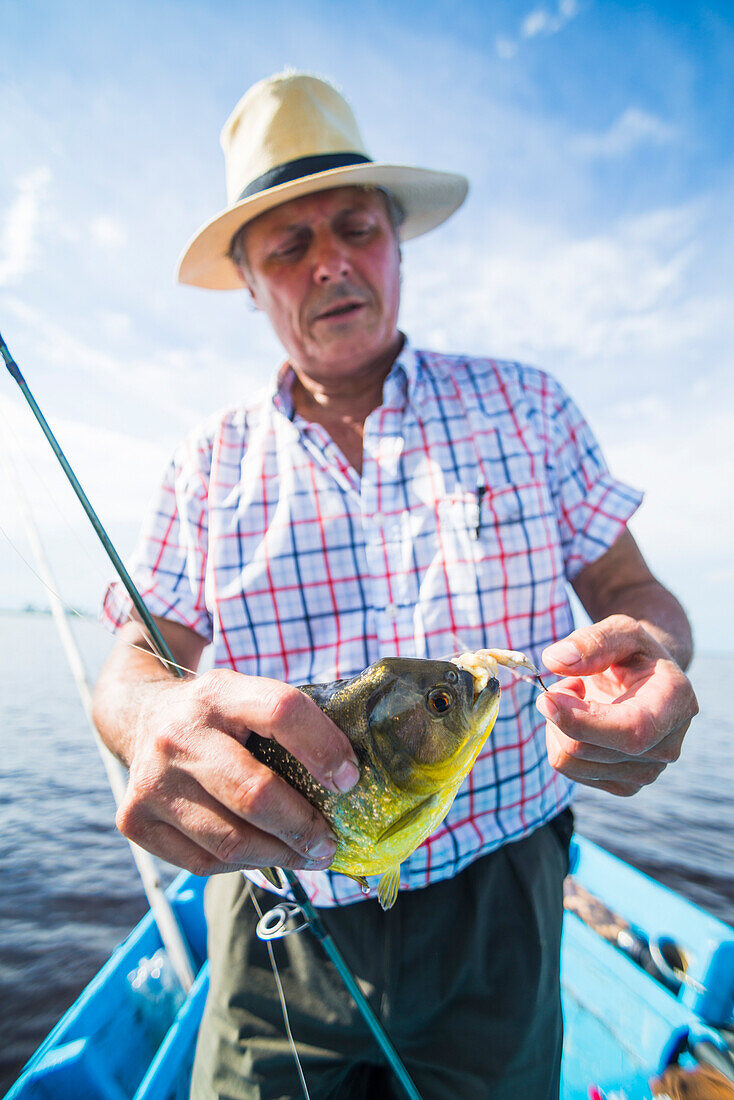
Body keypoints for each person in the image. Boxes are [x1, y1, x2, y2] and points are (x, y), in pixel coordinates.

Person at [92, 71, 698, 1100]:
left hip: (502, 898)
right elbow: (134, 669)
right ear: (248, 278)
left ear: (395, 244)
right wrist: (149, 713)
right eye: (287, 243)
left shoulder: (527, 405)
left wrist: (651, 653)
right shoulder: (203, 463)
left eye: (354, 226)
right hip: (283, 912)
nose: (328, 260)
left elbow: (633, 586)